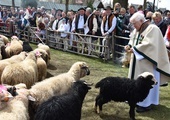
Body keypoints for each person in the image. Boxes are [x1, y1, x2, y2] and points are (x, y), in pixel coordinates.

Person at [124, 12, 170, 112]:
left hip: (148, 64)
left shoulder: (153, 29)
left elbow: (150, 45)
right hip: (137, 62)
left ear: (141, 21)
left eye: (134, 23)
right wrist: (129, 46)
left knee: (146, 82)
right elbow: (133, 40)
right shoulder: (138, 29)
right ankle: (134, 99)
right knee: (135, 81)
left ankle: (145, 104)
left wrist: (135, 49)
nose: (133, 26)